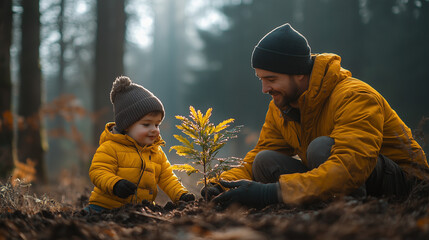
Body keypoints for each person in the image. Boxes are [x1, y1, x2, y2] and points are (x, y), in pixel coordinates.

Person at [204, 23, 429, 208]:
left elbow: (349, 167)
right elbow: (258, 155)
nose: (264, 89)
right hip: (347, 175)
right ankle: (324, 205)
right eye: (260, 79)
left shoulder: (354, 96)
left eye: (271, 79)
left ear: (299, 73)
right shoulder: (281, 105)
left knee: (320, 148)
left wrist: (271, 193)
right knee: (264, 161)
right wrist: (221, 185)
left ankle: (356, 212)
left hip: (407, 185)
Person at [86, 76, 195, 212]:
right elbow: (98, 171)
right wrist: (116, 184)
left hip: (139, 211)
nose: (154, 129)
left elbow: (168, 178)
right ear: (127, 125)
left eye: (157, 124)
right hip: (103, 208)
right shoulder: (110, 147)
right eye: (146, 124)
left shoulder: (156, 152)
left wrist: (181, 195)